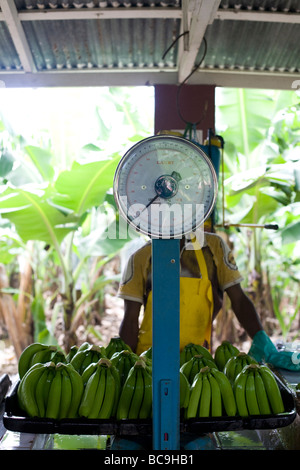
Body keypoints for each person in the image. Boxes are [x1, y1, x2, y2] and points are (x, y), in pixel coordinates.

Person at [117, 227, 300, 371]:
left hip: (197, 361)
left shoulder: (213, 247)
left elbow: (238, 300)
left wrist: (261, 339)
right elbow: (130, 319)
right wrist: (126, 363)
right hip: (150, 360)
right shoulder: (141, 258)